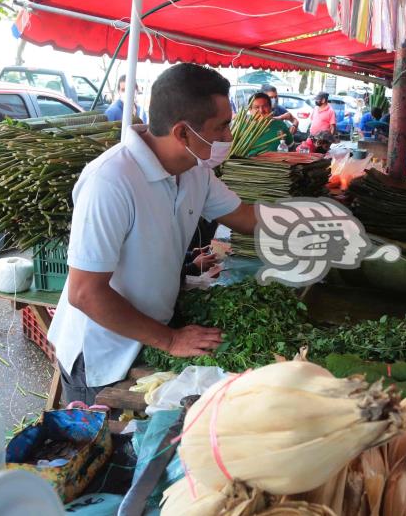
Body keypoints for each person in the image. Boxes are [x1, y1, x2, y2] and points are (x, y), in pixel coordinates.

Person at [48, 63, 257, 406]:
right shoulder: (111, 181)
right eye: (221, 128)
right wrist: (172, 341)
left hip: (149, 334)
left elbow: (244, 217)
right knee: (107, 448)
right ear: (182, 133)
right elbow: (85, 292)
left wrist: (311, 224)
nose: (228, 138)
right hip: (102, 355)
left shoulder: (194, 171)